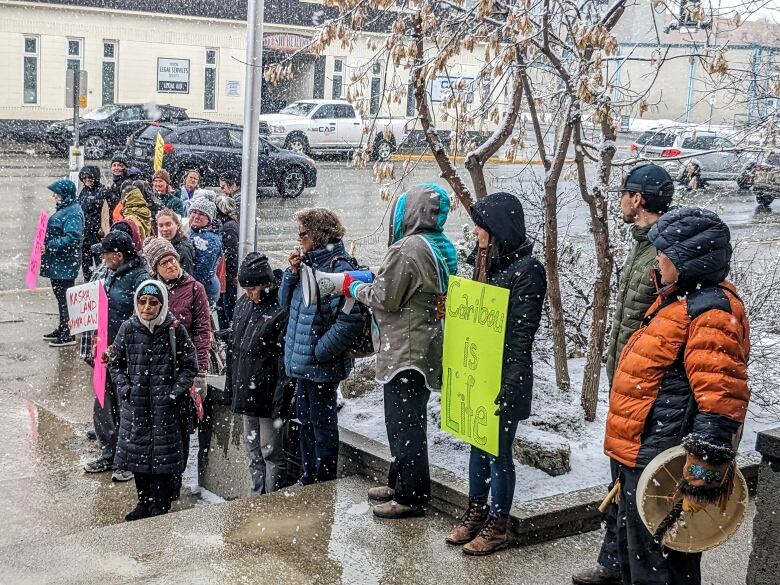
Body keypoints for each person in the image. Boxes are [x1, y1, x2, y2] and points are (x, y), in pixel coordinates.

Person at [605, 207, 750, 585]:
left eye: (664, 253)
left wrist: (700, 476)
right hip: (643, 453)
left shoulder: (710, 312)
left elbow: (721, 400)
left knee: (663, 568)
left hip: (668, 464)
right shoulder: (678, 300)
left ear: (688, 261)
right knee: (637, 561)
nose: (658, 259)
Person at [573, 163, 674, 585]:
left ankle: (626, 566)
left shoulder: (663, 253)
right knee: (619, 479)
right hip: (625, 384)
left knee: (636, 486)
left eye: (624, 194)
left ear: (639, 200)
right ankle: (613, 563)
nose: (619, 201)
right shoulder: (643, 244)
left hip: (645, 389)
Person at [440, 192, 546, 553]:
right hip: (479, 371)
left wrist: (513, 378)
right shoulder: (487, 263)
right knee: (477, 445)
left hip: (504, 377)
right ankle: (476, 511)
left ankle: (497, 524)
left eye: (480, 226)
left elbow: (522, 332)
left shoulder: (528, 270)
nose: (474, 233)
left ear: (497, 229)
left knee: (499, 452)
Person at [345, 185, 457, 519]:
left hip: (405, 350)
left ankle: (410, 496)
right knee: (409, 420)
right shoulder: (440, 244)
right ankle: (399, 482)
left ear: (409, 213)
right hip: (426, 344)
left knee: (404, 424)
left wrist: (352, 286)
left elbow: (385, 298)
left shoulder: (408, 247)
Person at [279, 208, 363, 486]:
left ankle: (324, 480)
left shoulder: (339, 267)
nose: (299, 239)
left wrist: (321, 351)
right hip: (305, 362)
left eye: (303, 233)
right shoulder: (308, 264)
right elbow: (286, 304)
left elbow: (350, 320)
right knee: (305, 421)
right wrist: (291, 274)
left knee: (322, 423)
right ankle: (309, 474)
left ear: (318, 235)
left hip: (320, 363)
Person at [110, 280, 197, 520]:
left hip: (165, 407)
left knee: (162, 458)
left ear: (162, 304)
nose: (147, 307)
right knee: (139, 458)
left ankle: (160, 503)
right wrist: (126, 388)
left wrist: (174, 392)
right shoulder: (128, 328)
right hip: (137, 406)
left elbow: (189, 366)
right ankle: (143, 502)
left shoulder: (174, 328)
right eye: (142, 302)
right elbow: (115, 363)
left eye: (153, 302)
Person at [83, 231, 148, 481]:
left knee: (127, 407)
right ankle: (108, 453)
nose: (102, 257)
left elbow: (140, 318)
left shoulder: (139, 277)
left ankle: (128, 459)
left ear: (118, 256)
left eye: (106, 253)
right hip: (104, 349)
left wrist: (120, 346)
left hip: (126, 353)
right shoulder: (110, 272)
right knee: (102, 403)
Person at [228, 253, 294, 495]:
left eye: (253, 288)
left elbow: (283, 363)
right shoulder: (244, 303)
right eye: (245, 288)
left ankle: (271, 502)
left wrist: (280, 402)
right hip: (248, 392)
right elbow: (235, 349)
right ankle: (257, 496)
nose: (249, 294)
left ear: (266, 284)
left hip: (268, 395)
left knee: (271, 452)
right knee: (252, 450)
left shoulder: (279, 308)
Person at [40, 179, 84, 347]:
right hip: (59, 263)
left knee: (65, 299)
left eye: (56, 193)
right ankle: (63, 328)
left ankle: (68, 333)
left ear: (64, 194)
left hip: (64, 263)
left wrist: (50, 245)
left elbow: (72, 237)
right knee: (61, 298)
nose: (54, 196)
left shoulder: (72, 212)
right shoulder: (67, 209)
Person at [188, 198, 223, 306]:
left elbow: (202, 272)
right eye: (194, 212)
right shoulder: (194, 230)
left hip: (205, 289)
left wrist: (185, 286)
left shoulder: (210, 240)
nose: (196, 216)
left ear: (208, 219)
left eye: (202, 214)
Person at [77, 166, 107, 280]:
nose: (86, 179)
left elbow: (106, 212)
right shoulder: (84, 191)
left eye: (89, 177)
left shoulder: (102, 191)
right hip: (85, 235)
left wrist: (101, 228)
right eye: (84, 177)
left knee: (101, 264)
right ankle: (88, 283)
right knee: (86, 264)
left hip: (96, 235)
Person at [215, 194, 239, 328]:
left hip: (227, 277)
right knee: (225, 307)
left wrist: (231, 275)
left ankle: (227, 335)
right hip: (226, 276)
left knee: (226, 308)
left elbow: (231, 254)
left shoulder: (228, 226)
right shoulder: (229, 223)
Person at [157, 209, 195, 276]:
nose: (164, 229)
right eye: (161, 226)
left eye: (168, 224)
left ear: (177, 225)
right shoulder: (164, 243)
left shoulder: (183, 250)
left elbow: (186, 279)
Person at [101, 153, 130, 234]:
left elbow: (124, 203)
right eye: (114, 165)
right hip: (115, 221)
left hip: (123, 222)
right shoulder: (115, 183)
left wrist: (110, 195)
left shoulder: (127, 183)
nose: (116, 168)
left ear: (125, 167)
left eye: (119, 165)